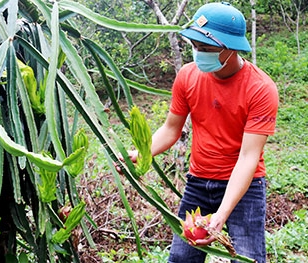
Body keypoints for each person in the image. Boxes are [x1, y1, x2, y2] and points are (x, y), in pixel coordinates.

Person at [117, 2, 279, 263]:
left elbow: (249, 157)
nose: (198, 53)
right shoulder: (187, 76)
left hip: (245, 187)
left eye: (206, 48)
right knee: (182, 259)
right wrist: (140, 153)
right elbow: (171, 129)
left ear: (231, 48)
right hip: (198, 183)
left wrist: (221, 215)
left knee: (248, 259)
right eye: (194, 46)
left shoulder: (260, 89)